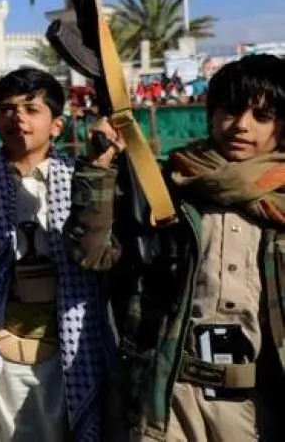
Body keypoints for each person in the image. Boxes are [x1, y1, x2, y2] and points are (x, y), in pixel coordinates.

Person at [66, 53, 285, 440]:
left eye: (261, 116)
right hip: (170, 394)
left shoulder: (279, 201)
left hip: (256, 404)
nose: (241, 125)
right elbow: (93, 253)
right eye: (230, 111)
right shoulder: (166, 187)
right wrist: (98, 170)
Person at [0, 68, 110, 441]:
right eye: (6, 109)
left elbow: (97, 254)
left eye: (30, 108)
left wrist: (100, 171)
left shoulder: (82, 182)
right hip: (1, 343)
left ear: (56, 125)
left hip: (70, 347)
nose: (17, 118)